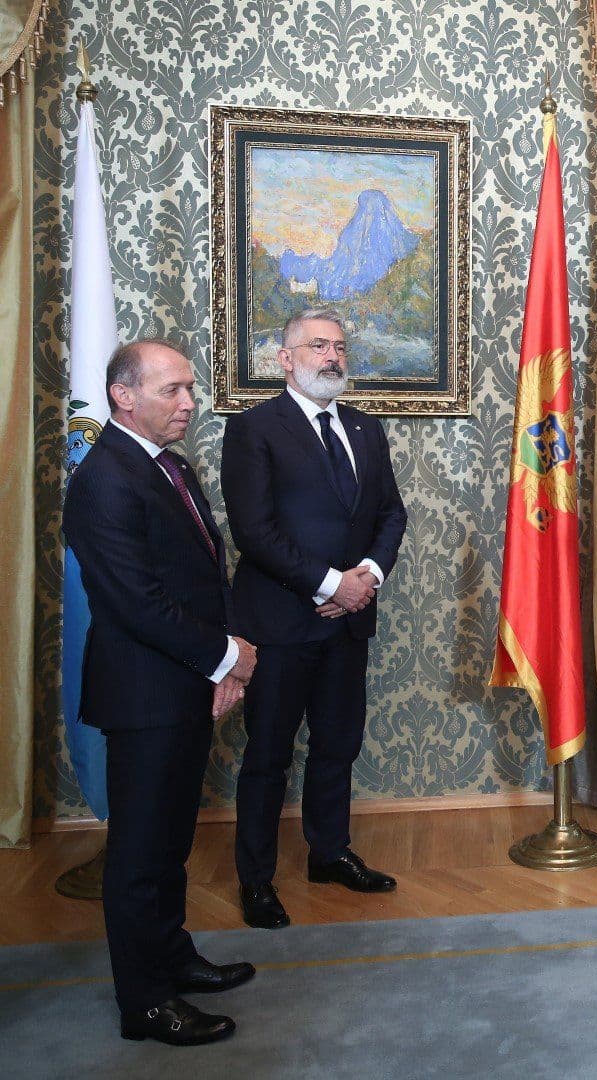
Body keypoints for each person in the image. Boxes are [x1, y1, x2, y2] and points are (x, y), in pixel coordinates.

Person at [62, 339, 259, 1046]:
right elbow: (137, 603)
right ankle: (145, 1003)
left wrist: (221, 665)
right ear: (123, 396)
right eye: (172, 389)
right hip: (144, 697)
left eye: (189, 389)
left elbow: (205, 573)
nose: (188, 403)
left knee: (171, 842)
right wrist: (229, 656)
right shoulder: (104, 478)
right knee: (140, 856)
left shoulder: (167, 465)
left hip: (184, 684)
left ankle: (173, 959)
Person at [222, 310, 408, 930]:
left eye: (340, 347)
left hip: (347, 624)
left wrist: (367, 579)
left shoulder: (364, 428)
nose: (332, 357)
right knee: (268, 756)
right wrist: (332, 584)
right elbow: (254, 531)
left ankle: (329, 854)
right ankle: (256, 879)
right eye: (318, 346)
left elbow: (391, 514)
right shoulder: (254, 429)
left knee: (337, 745)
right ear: (286, 359)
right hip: (280, 625)